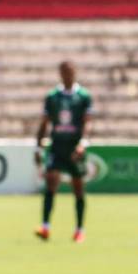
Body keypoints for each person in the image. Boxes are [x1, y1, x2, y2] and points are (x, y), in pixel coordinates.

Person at [33, 60, 93, 243]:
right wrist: (38, 146)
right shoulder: (53, 96)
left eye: (70, 71)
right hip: (57, 145)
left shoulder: (83, 96)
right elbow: (44, 123)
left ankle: (79, 230)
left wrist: (83, 142)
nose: (67, 74)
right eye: (64, 71)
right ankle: (45, 227)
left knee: (78, 188)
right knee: (51, 182)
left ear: (75, 72)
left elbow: (87, 121)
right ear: (60, 73)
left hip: (74, 147)